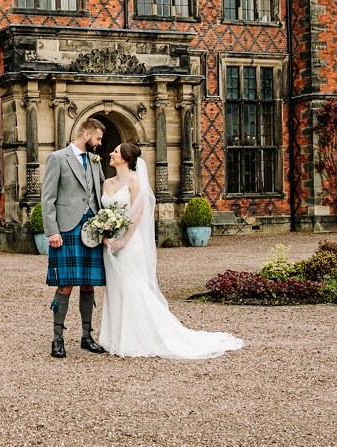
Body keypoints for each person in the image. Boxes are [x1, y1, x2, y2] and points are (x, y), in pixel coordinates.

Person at [98, 143, 244, 359]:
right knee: (116, 288)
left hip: (130, 244)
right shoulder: (107, 183)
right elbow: (104, 212)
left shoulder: (134, 181)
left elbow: (137, 214)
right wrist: (104, 232)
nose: (111, 153)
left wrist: (124, 240)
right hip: (110, 243)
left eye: (116, 151)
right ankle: (115, 338)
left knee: (133, 287)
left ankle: (139, 338)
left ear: (127, 158)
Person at [40, 117, 108, 358]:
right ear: (86, 135)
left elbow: (100, 193)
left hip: (92, 229)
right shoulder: (57, 158)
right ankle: (57, 339)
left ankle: (86, 336)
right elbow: (47, 198)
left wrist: (107, 225)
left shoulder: (94, 160)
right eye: (98, 138)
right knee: (66, 284)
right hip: (67, 229)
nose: (100, 144)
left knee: (89, 284)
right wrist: (52, 231)